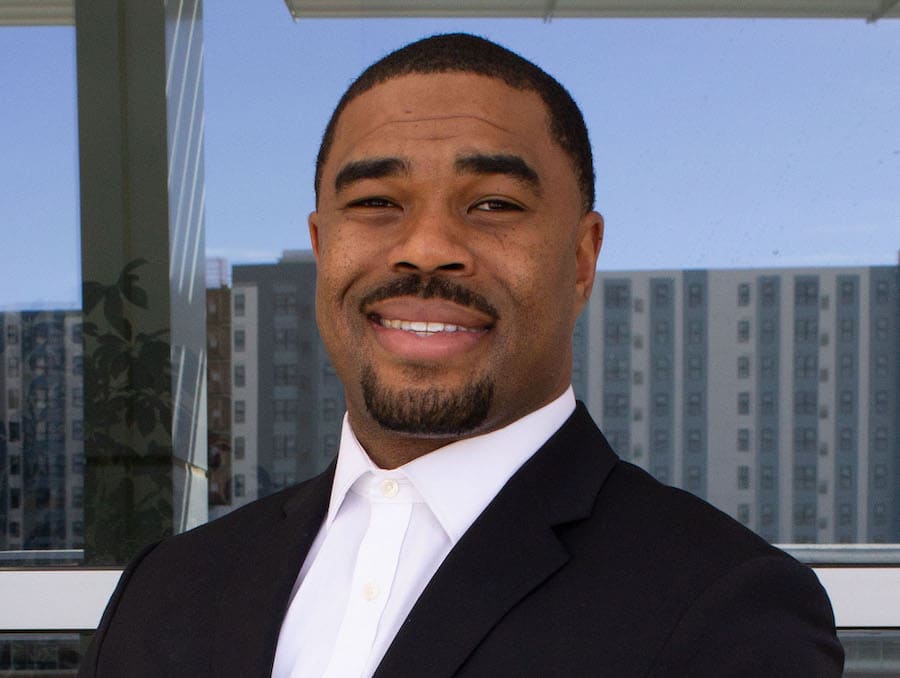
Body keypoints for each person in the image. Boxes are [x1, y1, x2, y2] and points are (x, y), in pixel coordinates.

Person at [78, 33, 843, 677]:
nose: (428, 249)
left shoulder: (726, 607)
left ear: (580, 260)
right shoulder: (167, 589)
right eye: (376, 203)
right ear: (320, 246)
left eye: (493, 206)